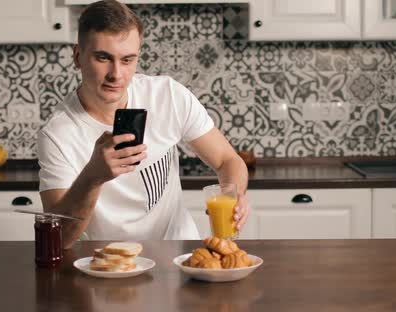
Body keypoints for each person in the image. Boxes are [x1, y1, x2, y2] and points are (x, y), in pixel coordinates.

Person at [38, 0, 249, 249]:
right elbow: (59, 238)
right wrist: (93, 177)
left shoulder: (168, 95)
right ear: (78, 56)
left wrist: (233, 195)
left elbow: (227, 160)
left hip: (179, 258)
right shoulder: (58, 134)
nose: (116, 74)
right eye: (103, 58)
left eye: (127, 60)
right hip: (110, 265)